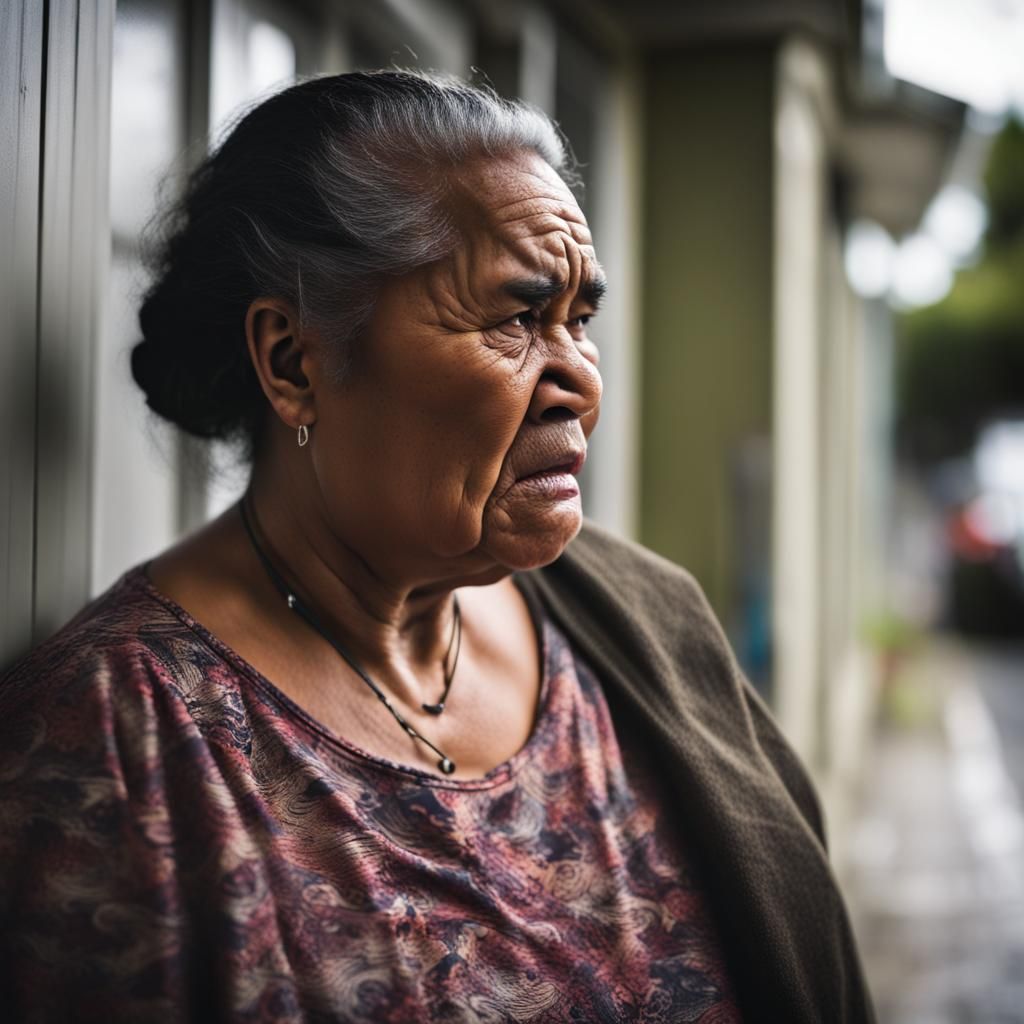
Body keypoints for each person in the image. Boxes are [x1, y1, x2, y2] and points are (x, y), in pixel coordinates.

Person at [0, 70, 874, 1023]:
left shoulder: (645, 618)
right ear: (294, 362)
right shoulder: (113, 747)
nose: (580, 378)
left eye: (579, 320)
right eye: (513, 317)